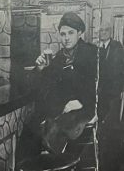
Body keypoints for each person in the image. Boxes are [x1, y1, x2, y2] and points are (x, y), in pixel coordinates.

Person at [32, 12, 98, 154]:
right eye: (63, 34)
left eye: (70, 33)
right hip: (64, 108)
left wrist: (81, 102)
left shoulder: (92, 53)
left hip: (85, 107)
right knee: (33, 128)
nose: (66, 38)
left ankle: (54, 164)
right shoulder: (59, 58)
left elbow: (102, 83)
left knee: (56, 130)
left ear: (79, 33)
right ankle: (51, 165)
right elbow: (47, 86)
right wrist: (41, 69)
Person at [96, 20, 124, 171]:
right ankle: (105, 169)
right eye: (100, 30)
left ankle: (116, 168)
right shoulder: (95, 49)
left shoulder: (117, 47)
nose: (103, 32)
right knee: (103, 132)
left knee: (115, 129)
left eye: (106, 30)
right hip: (100, 97)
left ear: (110, 32)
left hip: (116, 95)